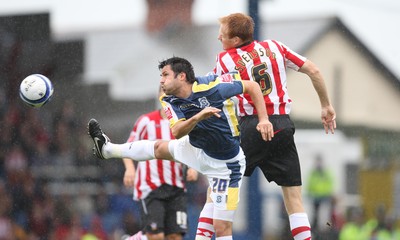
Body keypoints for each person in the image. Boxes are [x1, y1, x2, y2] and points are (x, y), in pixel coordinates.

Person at [88, 56, 274, 240]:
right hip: (195, 149)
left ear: (182, 76)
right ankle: (107, 149)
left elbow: (252, 86)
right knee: (160, 147)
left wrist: (264, 119)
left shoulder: (211, 86)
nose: (161, 80)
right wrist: (198, 117)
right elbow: (177, 132)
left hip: (226, 166)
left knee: (221, 227)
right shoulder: (169, 100)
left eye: (166, 75)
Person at [195, 13, 337, 240]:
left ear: (236, 39)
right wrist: (326, 105)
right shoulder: (275, 47)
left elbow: (207, 87)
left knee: (217, 183)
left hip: (251, 127)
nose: (218, 37)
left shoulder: (225, 59)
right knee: (293, 199)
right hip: (282, 126)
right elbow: (314, 70)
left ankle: (202, 237)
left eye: (223, 33)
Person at [121, 86, 199, 240]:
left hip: (176, 188)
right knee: (156, 236)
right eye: (165, 93)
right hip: (151, 187)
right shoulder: (147, 121)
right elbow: (127, 147)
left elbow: (191, 148)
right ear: (159, 96)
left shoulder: (183, 124)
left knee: (175, 237)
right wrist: (130, 169)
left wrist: (193, 168)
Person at [306, 155, 335, 230]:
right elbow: (310, 184)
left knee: (324, 216)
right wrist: (310, 193)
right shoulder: (313, 173)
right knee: (315, 215)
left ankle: (326, 229)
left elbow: (330, 183)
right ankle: (316, 229)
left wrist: (328, 193)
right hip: (315, 198)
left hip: (324, 198)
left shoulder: (325, 172)